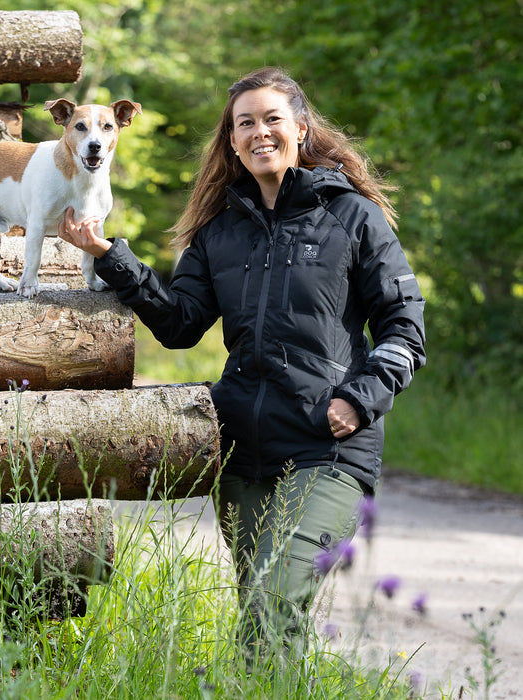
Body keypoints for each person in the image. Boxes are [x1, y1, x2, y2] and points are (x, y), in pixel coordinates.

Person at [58, 67, 426, 668]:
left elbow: (404, 326)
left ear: (301, 129)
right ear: (232, 141)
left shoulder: (353, 218)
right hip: (243, 455)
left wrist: (360, 398)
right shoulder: (218, 233)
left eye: (272, 119)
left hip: (327, 450)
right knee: (263, 614)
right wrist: (111, 257)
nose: (260, 132)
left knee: (274, 602)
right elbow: (180, 324)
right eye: (244, 123)